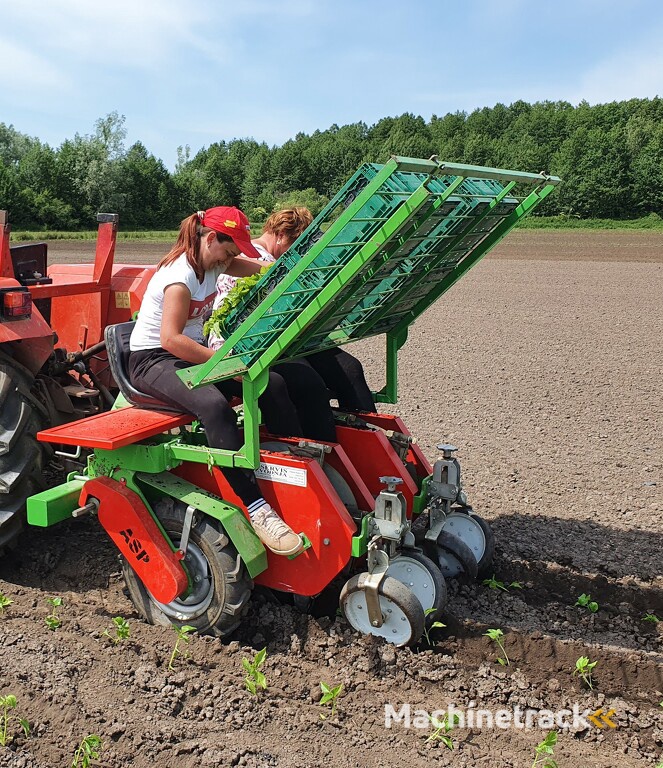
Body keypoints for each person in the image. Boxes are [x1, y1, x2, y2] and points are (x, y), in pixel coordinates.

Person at [128, 206, 303, 557]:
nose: (235, 255)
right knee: (214, 408)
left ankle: (287, 465)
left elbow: (263, 270)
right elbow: (170, 340)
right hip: (152, 361)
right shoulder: (180, 278)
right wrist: (227, 365)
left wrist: (294, 272)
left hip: (187, 356)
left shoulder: (215, 262)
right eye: (231, 247)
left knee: (273, 382)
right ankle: (257, 508)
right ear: (211, 239)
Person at [250, 208, 376, 413]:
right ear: (281, 235)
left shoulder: (275, 258)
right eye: (296, 246)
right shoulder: (252, 257)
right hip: (268, 344)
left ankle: (365, 431)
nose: (298, 255)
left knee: (351, 368)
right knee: (309, 383)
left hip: (294, 340)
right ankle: (325, 439)